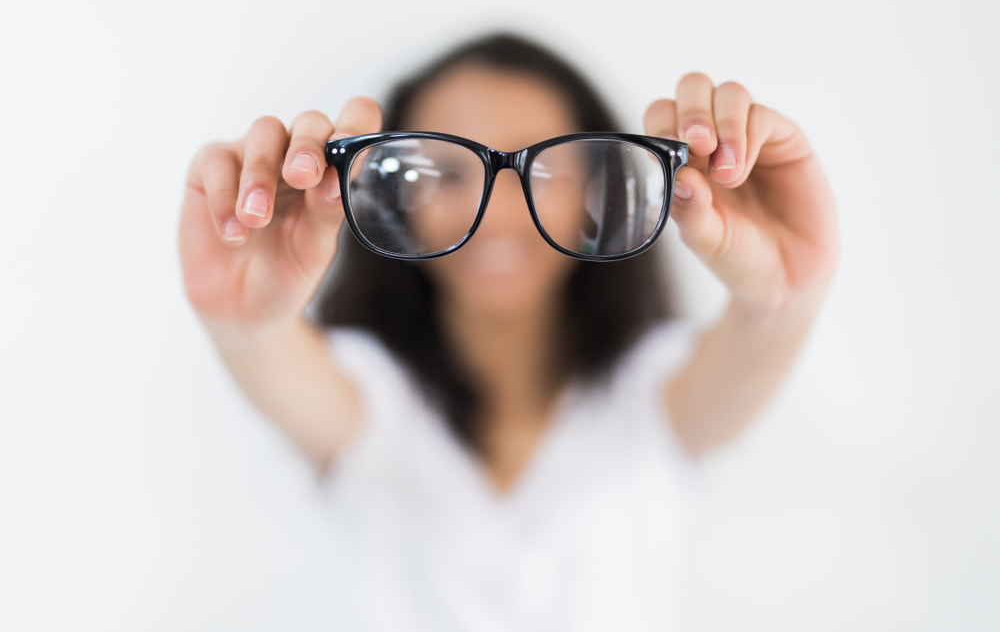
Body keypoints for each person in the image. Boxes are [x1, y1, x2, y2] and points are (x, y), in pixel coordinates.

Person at [179, 34, 838, 629]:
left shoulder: (646, 399)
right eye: (446, 172)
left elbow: (761, 330)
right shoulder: (374, 402)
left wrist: (786, 295)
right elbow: (271, 355)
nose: (495, 213)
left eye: (542, 167)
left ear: (596, 186)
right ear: (396, 198)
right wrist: (241, 324)